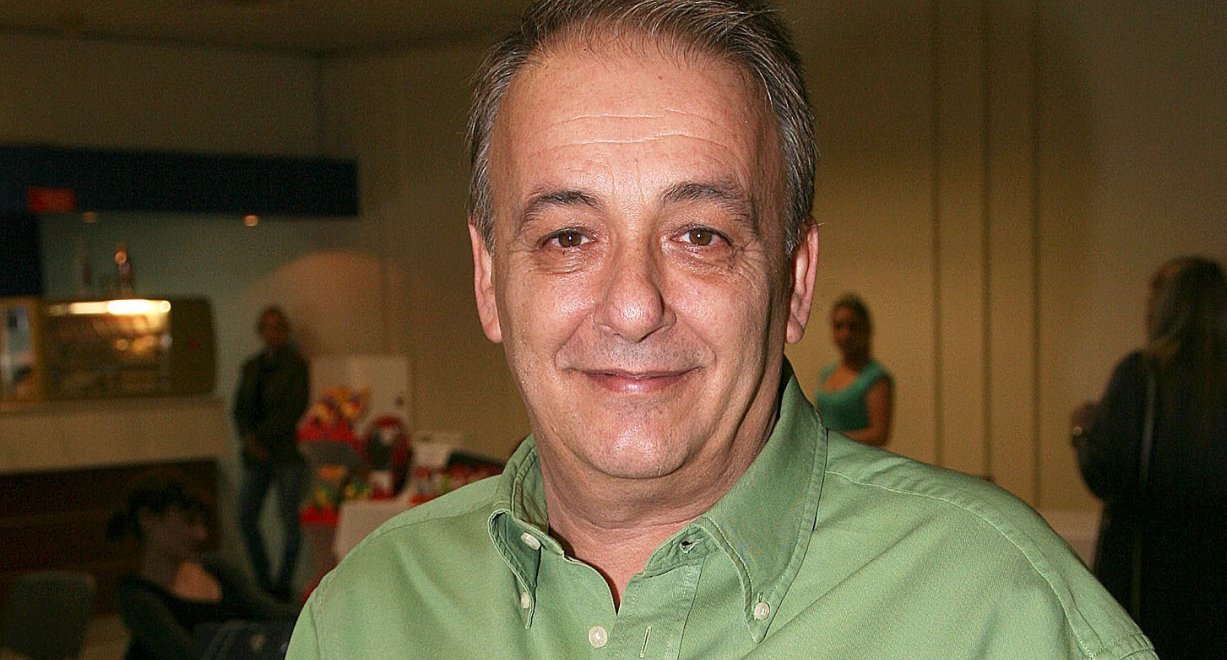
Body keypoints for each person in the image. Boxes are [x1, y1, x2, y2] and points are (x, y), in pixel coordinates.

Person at [290, 2, 1154, 657]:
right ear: (489, 280)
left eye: (700, 236)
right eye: (568, 237)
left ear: (796, 279)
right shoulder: (365, 619)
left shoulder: (1003, 613)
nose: (634, 305)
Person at [1070, 256, 1227, 659]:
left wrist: (1082, 433)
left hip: (1150, 586)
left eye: (1153, 303)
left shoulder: (1142, 376)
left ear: (1169, 309)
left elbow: (1106, 475)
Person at [108, 471, 298, 660]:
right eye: (189, 521)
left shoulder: (216, 569)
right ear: (147, 520)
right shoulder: (135, 594)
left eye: (201, 523)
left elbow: (271, 612)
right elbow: (186, 653)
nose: (201, 534)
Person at [232, 305, 310, 602]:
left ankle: (282, 585)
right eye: (267, 327)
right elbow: (240, 408)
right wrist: (248, 439)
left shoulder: (295, 366)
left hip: (284, 452)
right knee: (245, 516)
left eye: (277, 327)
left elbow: (292, 409)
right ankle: (263, 582)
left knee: (290, 520)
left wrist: (260, 436)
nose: (272, 333)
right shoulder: (253, 366)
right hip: (257, 454)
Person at [816, 293, 893, 445]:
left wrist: (834, 439)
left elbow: (879, 435)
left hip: (858, 457)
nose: (845, 334)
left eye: (853, 326)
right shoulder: (828, 373)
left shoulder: (876, 378)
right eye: (839, 326)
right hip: (827, 455)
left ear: (866, 329)